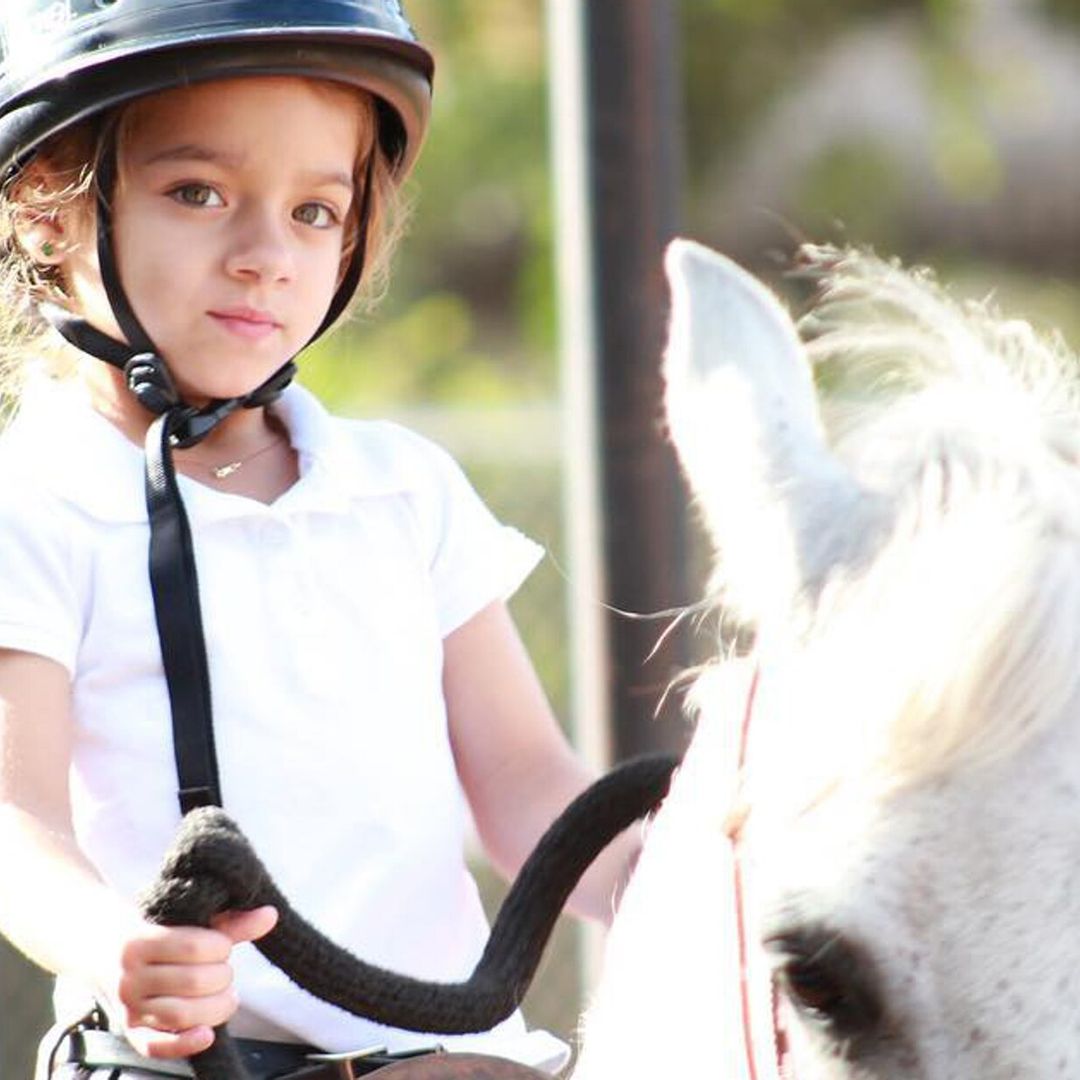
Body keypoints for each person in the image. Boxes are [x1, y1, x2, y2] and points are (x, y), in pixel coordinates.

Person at [0, 4, 639, 1078]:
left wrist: (699, 880)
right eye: (196, 193)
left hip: (448, 1053)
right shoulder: (42, 500)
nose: (265, 256)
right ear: (45, 209)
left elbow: (528, 786)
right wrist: (116, 949)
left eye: (312, 211)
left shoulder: (402, 489)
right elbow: (13, 819)